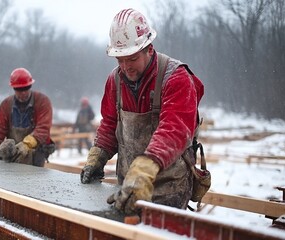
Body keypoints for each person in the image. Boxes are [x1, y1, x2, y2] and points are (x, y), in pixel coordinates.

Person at [80, 8, 205, 215]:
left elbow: (174, 130)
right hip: (128, 186)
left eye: (132, 58)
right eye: (120, 59)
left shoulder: (176, 78)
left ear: (149, 48)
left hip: (169, 188)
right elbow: (110, 124)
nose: (125, 67)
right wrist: (98, 155)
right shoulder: (115, 80)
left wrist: (146, 167)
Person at [0, 68, 54, 167]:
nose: (23, 93)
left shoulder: (42, 102)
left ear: (30, 86)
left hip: (36, 153)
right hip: (13, 153)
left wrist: (27, 144)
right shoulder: (6, 104)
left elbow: (43, 129)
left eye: (26, 88)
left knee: (34, 179)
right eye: (19, 89)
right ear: (13, 88)